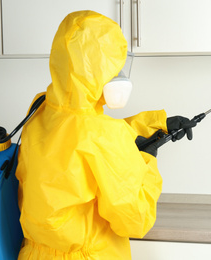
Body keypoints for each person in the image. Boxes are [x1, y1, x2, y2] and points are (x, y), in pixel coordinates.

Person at [15, 10, 195, 260]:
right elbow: (136, 219)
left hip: (33, 253)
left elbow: (82, 135)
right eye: (114, 68)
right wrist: (148, 162)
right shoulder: (100, 134)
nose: (118, 76)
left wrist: (156, 124)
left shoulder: (41, 107)